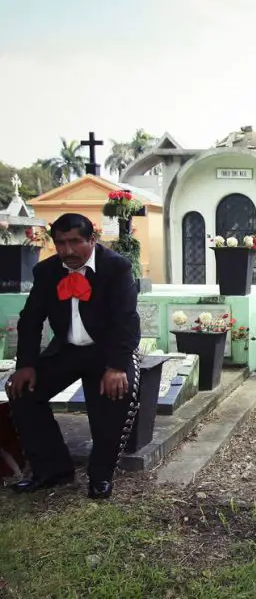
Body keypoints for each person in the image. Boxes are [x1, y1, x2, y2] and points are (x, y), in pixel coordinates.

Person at [4, 213, 141, 499]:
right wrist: (26, 365)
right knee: (21, 391)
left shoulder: (116, 268)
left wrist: (117, 366)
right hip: (66, 350)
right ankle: (52, 470)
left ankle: (100, 475)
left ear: (92, 239)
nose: (67, 251)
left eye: (75, 242)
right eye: (60, 243)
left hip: (107, 352)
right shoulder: (47, 271)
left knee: (113, 398)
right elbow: (30, 320)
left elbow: (126, 321)